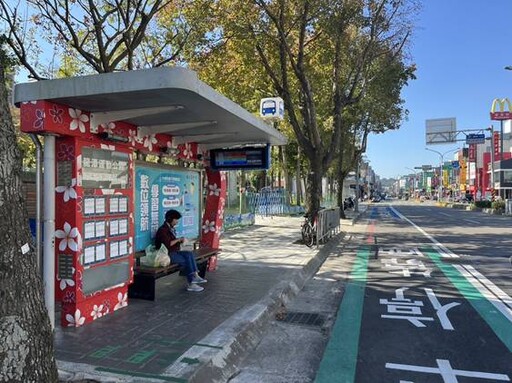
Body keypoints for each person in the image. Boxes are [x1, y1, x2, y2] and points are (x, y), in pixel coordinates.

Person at [155, 209, 207, 292]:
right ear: (170, 219)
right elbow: (168, 244)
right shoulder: (163, 230)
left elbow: (173, 243)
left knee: (189, 254)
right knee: (185, 261)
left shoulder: (170, 228)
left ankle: (195, 275)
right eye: (175, 220)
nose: (177, 222)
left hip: (174, 252)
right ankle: (191, 283)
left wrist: (181, 241)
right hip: (166, 255)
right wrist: (179, 239)